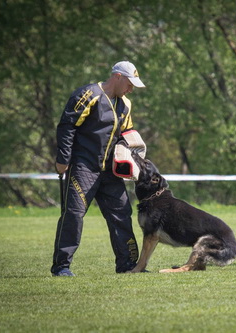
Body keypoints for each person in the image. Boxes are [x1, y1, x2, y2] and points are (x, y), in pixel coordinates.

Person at [51, 61, 146, 276]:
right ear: (118, 77)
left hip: (110, 172)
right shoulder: (88, 94)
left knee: (122, 215)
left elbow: (127, 131)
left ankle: (128, 266)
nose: (131, 89)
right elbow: (67, 126)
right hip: (83, 167)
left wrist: (133, 150)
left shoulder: (126, 104)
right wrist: (63, 160)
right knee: (73, 215)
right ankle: (61, 266)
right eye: (130, 84)